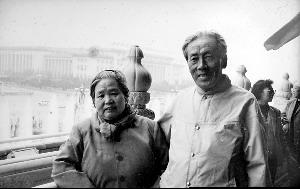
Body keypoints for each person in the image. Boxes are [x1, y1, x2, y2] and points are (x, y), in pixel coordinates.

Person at [158, 30, 268, 187]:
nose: (201, 66)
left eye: (208, 57)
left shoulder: (245, 102)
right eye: (194, 59)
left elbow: (258, 166)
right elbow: (159, 145)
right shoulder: (179, 100)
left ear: (224, 61)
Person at [51, 69, 168, 188]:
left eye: (114, 93)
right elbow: (61, 167)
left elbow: (168, 168)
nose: (108, 101)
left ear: (125, 96)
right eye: (101, 95)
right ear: (94, 102)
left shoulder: (151, 128)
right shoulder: (82, 130)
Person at [251, 79, 285, 185]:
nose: (273, 93)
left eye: (273, 91)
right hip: (255, 159)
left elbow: (279, 135)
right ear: (258, 92)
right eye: (269, 91)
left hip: (272, 159)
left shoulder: (276, 112)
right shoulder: (249, 112)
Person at [282, 82, 300, 186]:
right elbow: (283, 115)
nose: (293, 90)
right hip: (291, 139)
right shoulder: (290, 103)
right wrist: (285, 123)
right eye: (292, 88)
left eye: (296, 89)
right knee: (292, 166)